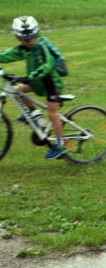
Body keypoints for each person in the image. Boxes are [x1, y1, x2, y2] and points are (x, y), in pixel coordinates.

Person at [0, 16, 68, 160]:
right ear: (18, 38)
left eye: (32, 37)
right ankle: (35, 115)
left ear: (37, 33)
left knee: (52, 113)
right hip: (37, 82)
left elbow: (47, 65)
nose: (29, 41)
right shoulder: (24, 49)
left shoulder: (42, 47)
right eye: (25, 39)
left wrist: (29, 77)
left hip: (51, 84)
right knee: (18, 90)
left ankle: (61, 144)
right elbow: (7, 55)